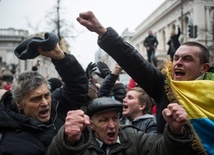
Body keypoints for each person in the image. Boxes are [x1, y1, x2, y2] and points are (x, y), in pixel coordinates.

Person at [76, 11, 213, 154]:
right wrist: (102, 31)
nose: (178, 63)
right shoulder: (165, 86)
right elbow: (136, 62)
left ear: (204, 68)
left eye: (186, 59)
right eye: (176, 58)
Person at [0, 36, 88, 154]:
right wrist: (67, 141)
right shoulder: (12, 145)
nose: (45, 103)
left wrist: (60, 57)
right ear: (19, 103)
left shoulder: (57, 106)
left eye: (46, 95)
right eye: (36, 99)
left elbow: (78, 87)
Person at [46, 97, 193, 155]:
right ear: (91, 124)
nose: (112, 126)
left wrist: (176, 131)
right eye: (104, 120)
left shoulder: (133, 137)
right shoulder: (79, 143)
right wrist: (68, 140)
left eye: (115, 118)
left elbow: (163, 150)